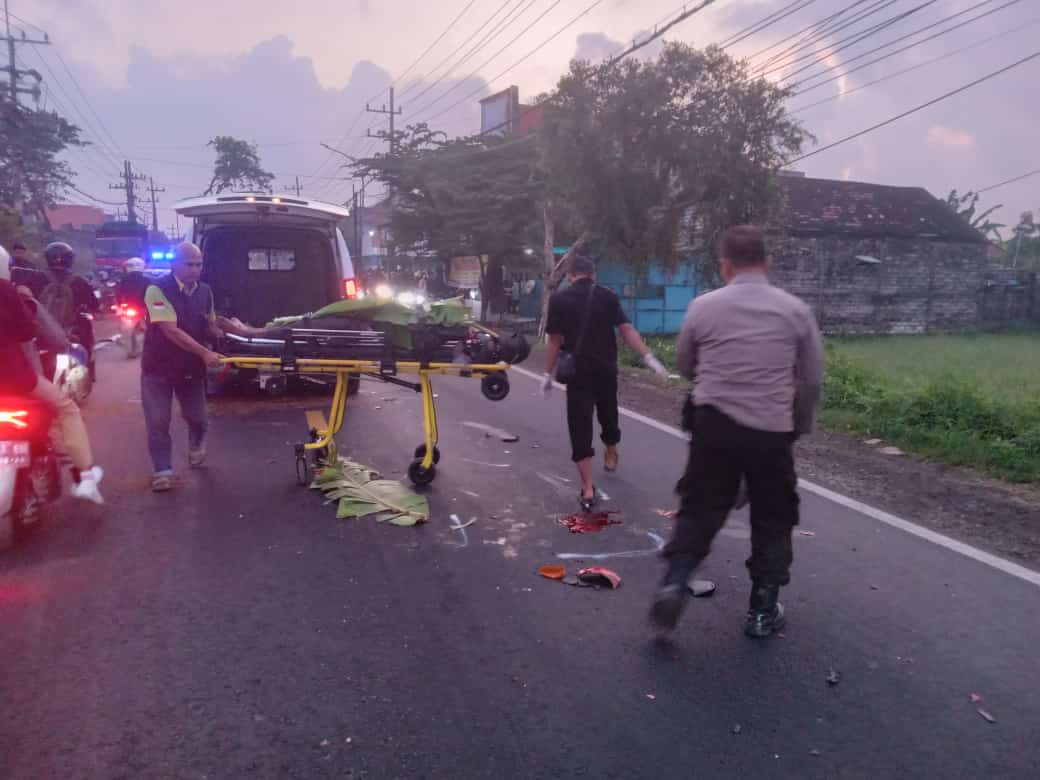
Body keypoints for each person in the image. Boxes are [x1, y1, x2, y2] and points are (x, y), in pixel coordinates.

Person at [650, 225, 824, 639]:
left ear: (724, 265)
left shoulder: (702, 307)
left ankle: (676, 580)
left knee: (700, 506)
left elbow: (688, 366)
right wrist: (797, 426)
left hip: (713, 426)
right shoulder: (795, 311)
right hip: (770, 431)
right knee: (774, 515)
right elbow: (811, 380)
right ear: (768, 262)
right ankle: (763, 609)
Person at [542, 254, 667, 510]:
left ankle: (587, 489)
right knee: (608, 415)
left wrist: (547, 374)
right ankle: (611, 447)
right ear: (593, 274)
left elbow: (555, 340)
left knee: (580, 426)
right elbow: (626, 329)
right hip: (606, 370)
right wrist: (648, 356)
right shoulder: (608, 296)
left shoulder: (558, 299)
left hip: (577, 374)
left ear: (569, 276)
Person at [140, 242, 261, 492]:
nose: (195, 269)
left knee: (197, 418)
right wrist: (205, 352)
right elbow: (170, 331)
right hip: (158, 369)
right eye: (189, 264)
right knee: (158, 420)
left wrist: (237, 333)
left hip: (190, 369)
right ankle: (162, 471)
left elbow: (210, 323)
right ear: (175, 264)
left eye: (199, 264)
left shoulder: (205, 291)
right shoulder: (157, 290)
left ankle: (196, 442)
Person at [0, 247, 103, 504]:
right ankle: (84, 475)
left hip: (42, 358)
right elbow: (29, 332)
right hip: (17, 376)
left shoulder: (35, 279)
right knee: (65, 409)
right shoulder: (11, 291)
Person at [40, 242, 98, 366]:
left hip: (42, 332)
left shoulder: (36, 278)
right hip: (73, 333)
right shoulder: (80, 281)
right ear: (70, 259)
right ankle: (87, 369)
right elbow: (94, 305)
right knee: (86, 340)